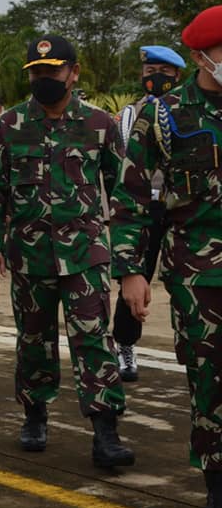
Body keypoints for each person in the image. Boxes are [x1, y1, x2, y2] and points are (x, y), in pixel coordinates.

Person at [0, 35, 133, 468]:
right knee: (33, 341)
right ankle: (34, 415)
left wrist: (125, 254)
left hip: (86, 254)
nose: (45, 79)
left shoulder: (99, 124)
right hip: (30, 254)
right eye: (37, 72)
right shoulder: (9, 124)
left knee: (94, 339)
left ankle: (105, 432)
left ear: (74, 73)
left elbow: (124, 191)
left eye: (54, 70)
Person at [110, 5, 222, 508]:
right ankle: (217, 485)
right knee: (211, 380)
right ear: (202, 56)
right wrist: (132, 270)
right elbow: (133, 198)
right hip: (200, 274)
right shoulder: (163, 115)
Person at [110, 45, 184, 383]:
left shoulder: (185, 111)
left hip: (182, 207)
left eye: (164, 72)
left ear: (177, 76)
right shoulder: (131, 113)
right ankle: (125, 343)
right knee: (136, 277)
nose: (156, 77)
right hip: (147, 207)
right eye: (150, 71)